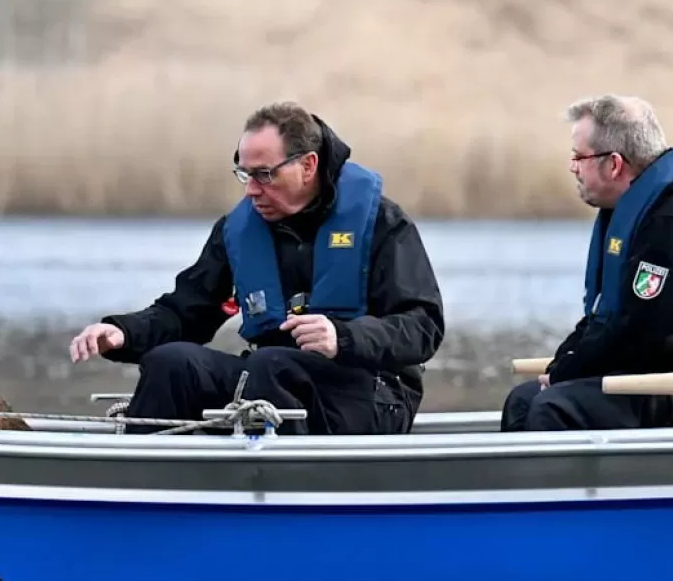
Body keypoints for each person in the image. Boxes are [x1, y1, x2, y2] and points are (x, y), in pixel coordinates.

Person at [68, 101, 446, 435]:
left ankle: (282, 498)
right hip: (269, 381)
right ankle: (142, 493)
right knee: (172, 362)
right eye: (245, 174)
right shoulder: (238, 231)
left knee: (271, 365)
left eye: (265, 175)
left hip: (371, 391)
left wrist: (343, 338)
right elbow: (186, 313)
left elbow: (423, 327)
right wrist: (122, 333)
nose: (251, 190)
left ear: (308, 165)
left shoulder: (380, 222)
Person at [501, 94, 673, 431]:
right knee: (525, 399)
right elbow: (609, 318)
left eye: (578, 157)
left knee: (555, 407)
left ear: (614, 164)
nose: (573, 167)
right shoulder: (640, 213)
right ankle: (525, 483)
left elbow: (653, 336)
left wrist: (567, 374)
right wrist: (563, 363)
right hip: (663, 381)